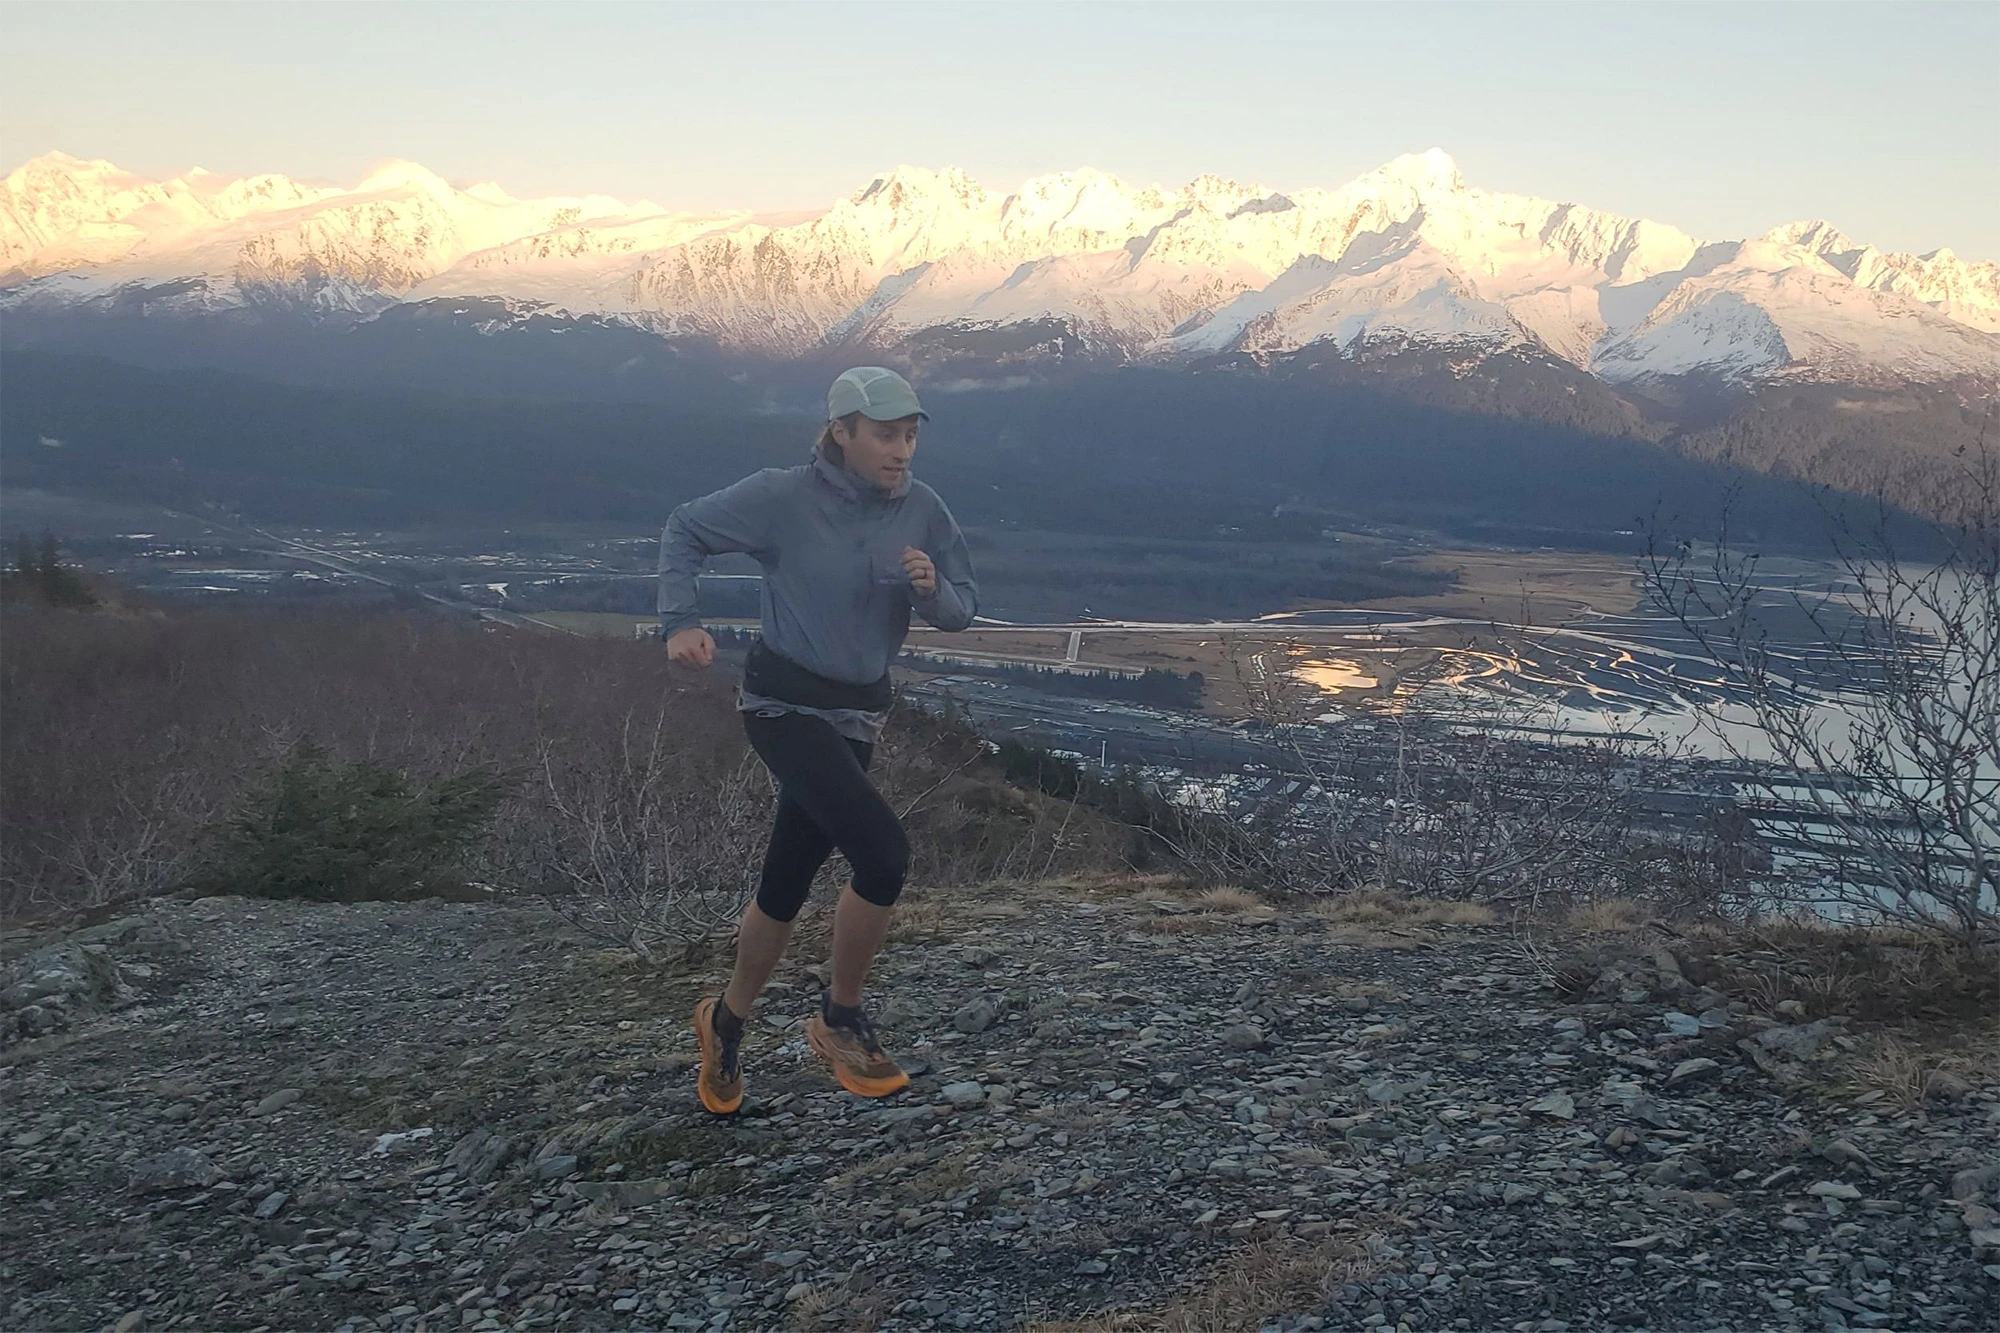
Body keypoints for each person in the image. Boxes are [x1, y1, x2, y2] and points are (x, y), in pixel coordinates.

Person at [658, 365, 979, 1115]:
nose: (901, 451)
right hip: (783, 705)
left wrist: (933, 591)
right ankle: (839, 1018)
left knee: (787, 882)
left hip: (859, 714)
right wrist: (680, 620)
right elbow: (685, 527)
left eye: (910, 435)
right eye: (885, 435)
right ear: (842, 432)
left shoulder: (925, 511)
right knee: (883, 854)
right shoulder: (782, 497)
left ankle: (725, 1023)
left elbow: (963, 610)